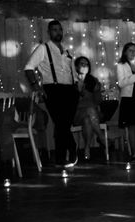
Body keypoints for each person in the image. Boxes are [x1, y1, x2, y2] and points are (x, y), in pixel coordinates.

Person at [24, 20, 79, 168]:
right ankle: (70, 151)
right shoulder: (43, 48)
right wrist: (36, 87)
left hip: (70, 91)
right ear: (49, 32)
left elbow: (72, 72)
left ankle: (62, 157)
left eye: (60, 30)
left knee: (64, 124)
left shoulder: (67, 50)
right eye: (54, 30)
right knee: (61, 123)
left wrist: (78, 83)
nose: (58, 32)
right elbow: (28, 67)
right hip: (53, 90)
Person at [73, 56, 106, 161]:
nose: (84, 65)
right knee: (90, 110)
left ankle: (87, 148)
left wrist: (96, 91)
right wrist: (79, 91)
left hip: (91, 115)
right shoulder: (72, 79)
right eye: (81, 63)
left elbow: (98, 101)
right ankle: (101, 137)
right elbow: (71, 101)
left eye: (86, 64)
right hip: (77, 113)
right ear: (76, 66)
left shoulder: (92, 80)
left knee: (88, 120)